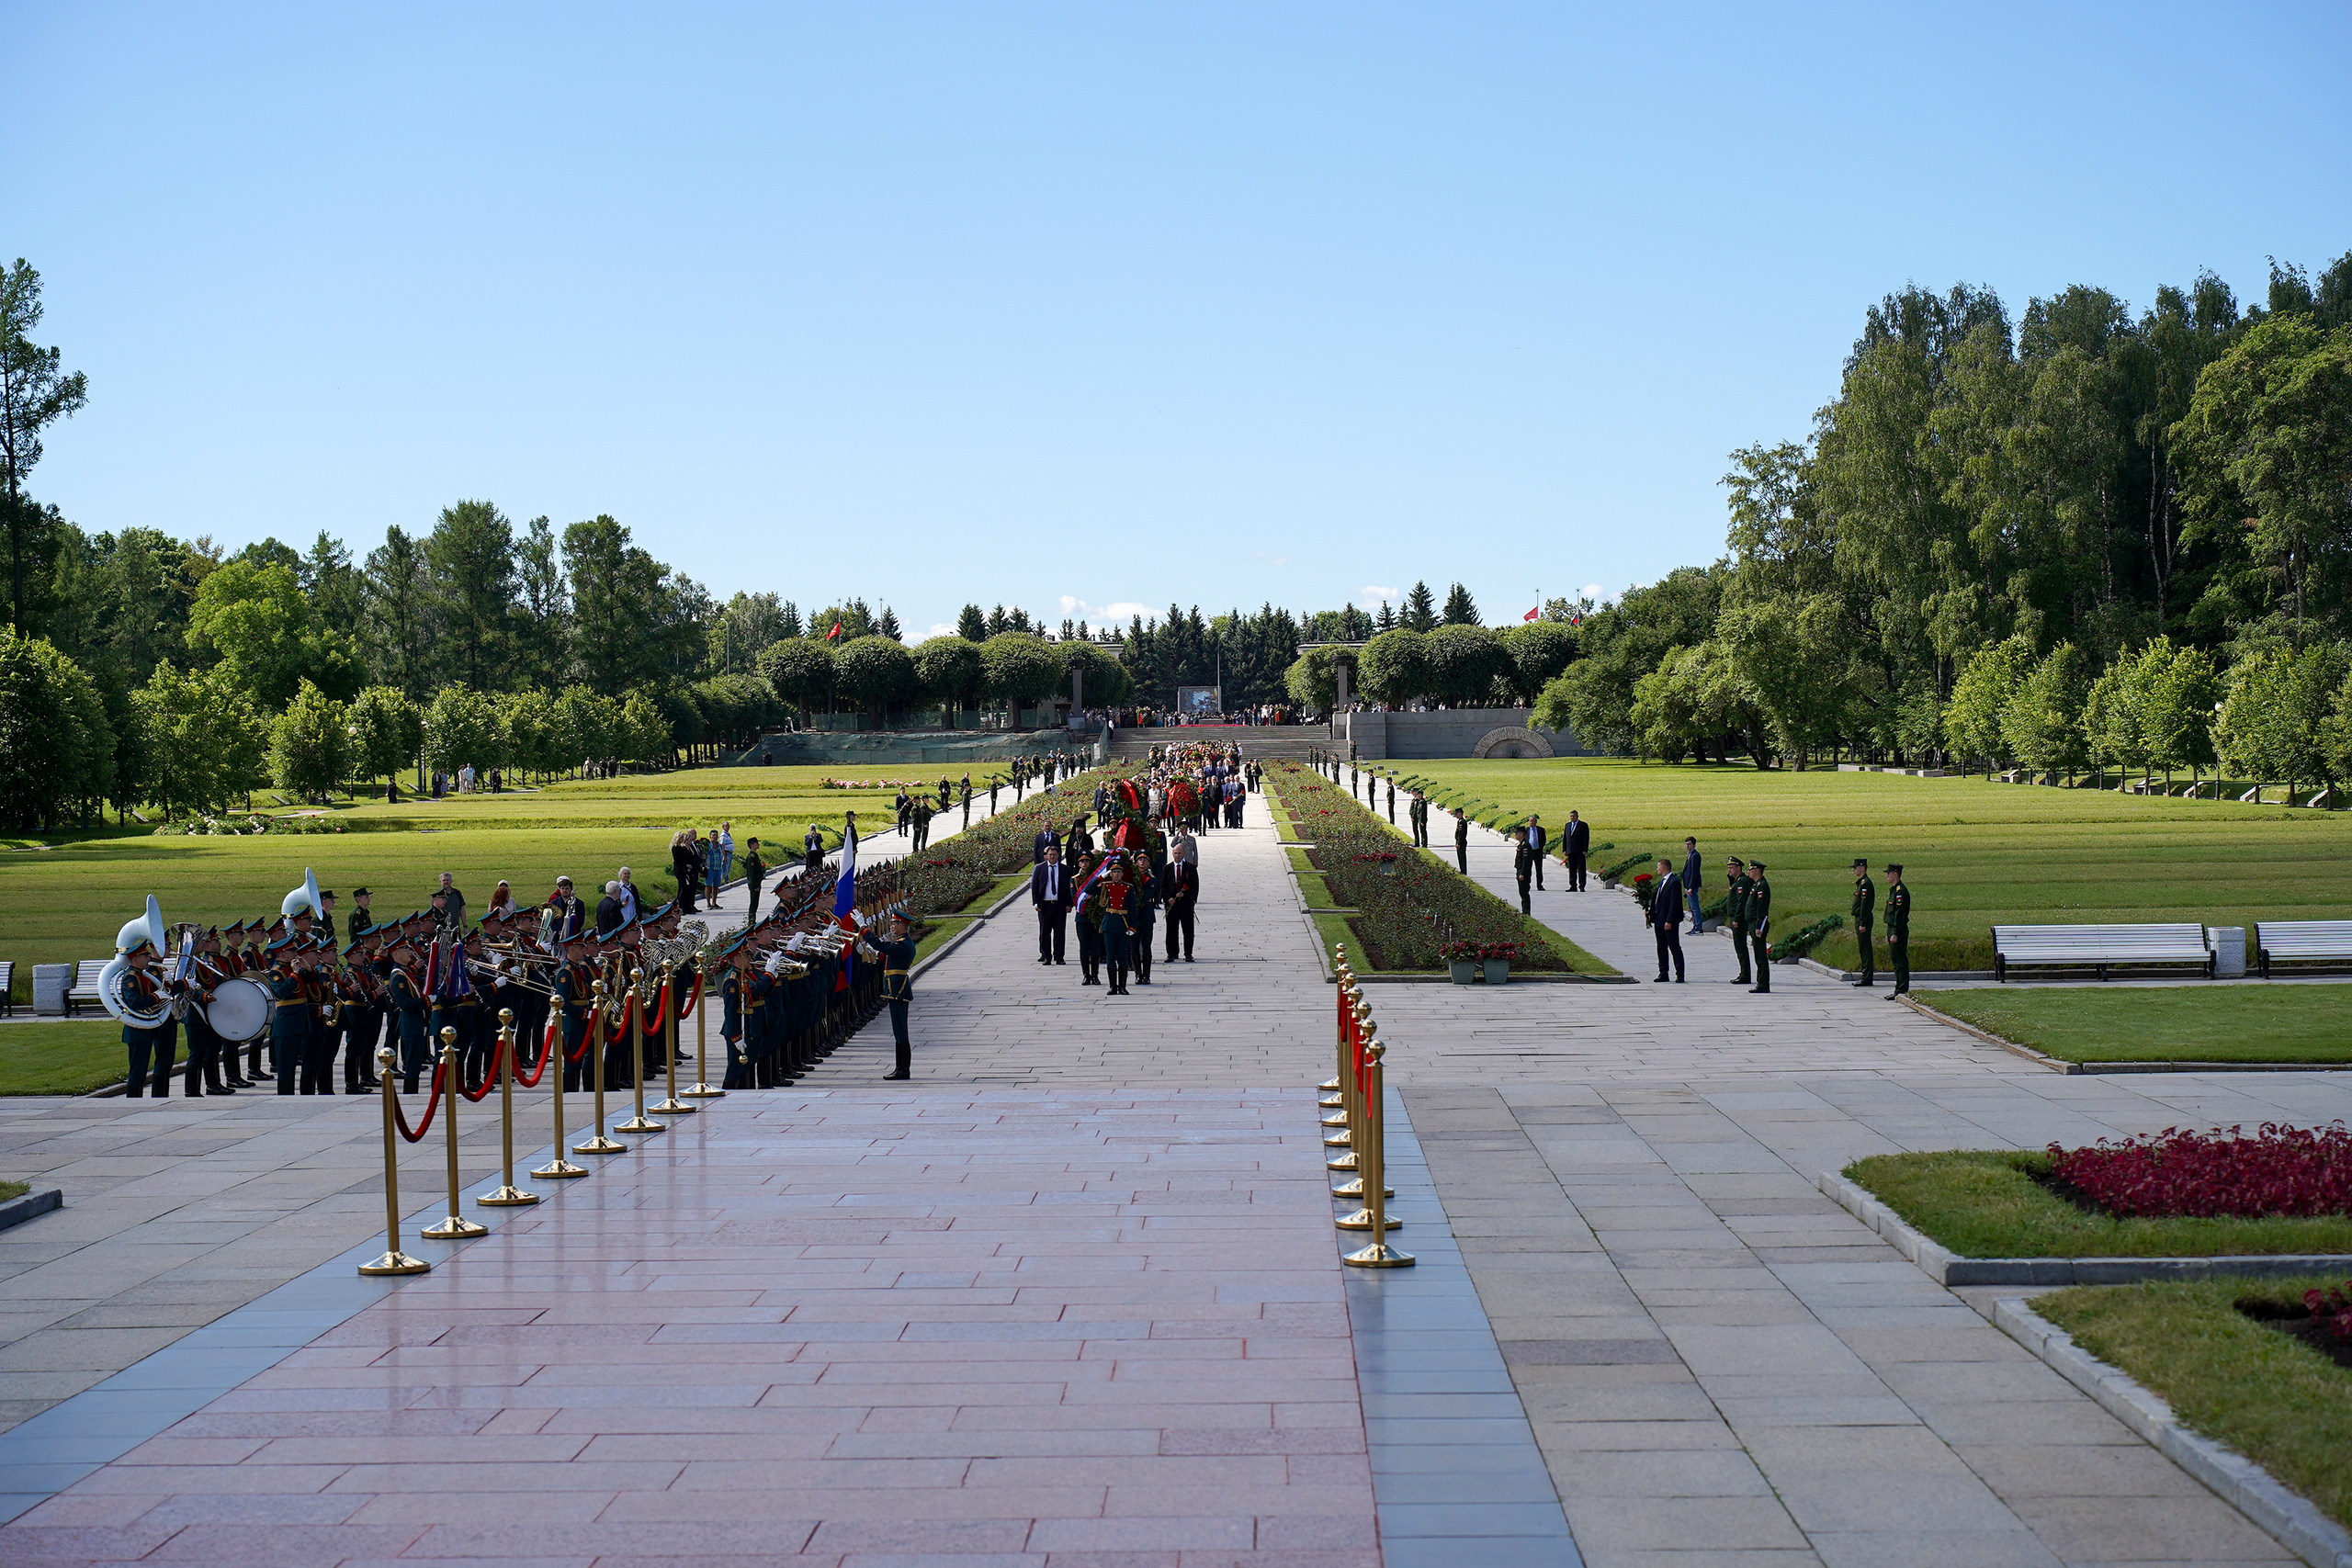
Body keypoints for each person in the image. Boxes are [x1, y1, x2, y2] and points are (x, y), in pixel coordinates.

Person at [1646, 858, 1687, 983]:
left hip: (1668, 921)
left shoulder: (1673, 882)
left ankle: (1680, 974)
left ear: (1663, 868)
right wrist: (1651, 911)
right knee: (1661, 947)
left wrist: (1669, 921)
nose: (1657, 869)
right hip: (1659, 919)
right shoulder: (1663, 882)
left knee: (1674, 947)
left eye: (1658, 867)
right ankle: (1663, 973)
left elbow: (1674, 903)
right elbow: (1659, 900)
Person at [1031, 844, 1070, 964]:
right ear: (1046, 856)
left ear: (1058, 856)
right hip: (1045, 905)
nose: (1052, 857)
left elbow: (1069, 889)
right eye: (1050, 855)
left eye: (1054, 854)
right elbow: (1035, 887)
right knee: (1044, 932)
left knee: (1059, 932)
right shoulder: (1039, 869)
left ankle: (1059, 957)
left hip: (1059, 905)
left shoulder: (1066, 870)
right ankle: (1046, 955)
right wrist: (1036, 903)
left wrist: (1069, 904)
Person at [1163, 853, 1199, 963]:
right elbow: (1163, 885)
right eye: (1175, 853)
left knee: (1188, 929)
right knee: (1171, 930)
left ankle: (1188, 953)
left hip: (1185, 904)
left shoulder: (1190, 868)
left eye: (1179, 853)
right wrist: (1168, 898)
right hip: (1172, 904)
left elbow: (1195, 885)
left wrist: (1189, 897)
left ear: (1183, 854)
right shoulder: (1167, 868)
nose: (1177, 855)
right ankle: (1171, 953)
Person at [1746, 861, 1773, 994]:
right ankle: (1761, 982)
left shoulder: (1762, 886)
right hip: (1752, 923)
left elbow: (1761, 909)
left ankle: (1763, 984)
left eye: (1751, 869)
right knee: (1757, 954)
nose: (1748, 872)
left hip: (1757, 925)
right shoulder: (1755, 885)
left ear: (1757, 871)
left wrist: (1758, 927)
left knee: (1760, 955)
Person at [1883, 864, 1910, 997]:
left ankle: (1901, 988)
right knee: (1895, 961)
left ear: (1896, 874)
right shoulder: (1894, 890)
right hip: (1892, 928)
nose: (1887, 876)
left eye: (1889, 873)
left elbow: (1899, 915)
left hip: (1897, 930)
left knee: (1900, 961)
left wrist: (1894, 932)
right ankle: (1899, 987)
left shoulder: (1900, 892)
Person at [1849, 857, 1876, 987]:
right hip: (1859, 918)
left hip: (1862, 919)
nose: (1854, 870)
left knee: (1865, 949)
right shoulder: (1861, 883)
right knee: (1862, 948)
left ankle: (1867, 977)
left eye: (1855, 868)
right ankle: (1866, 975)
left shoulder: (1865, 884)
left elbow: (1865, 905)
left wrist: (1863, 923)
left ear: (1862, 868)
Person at [1724, 857, 1751, 986]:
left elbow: (1741, 902)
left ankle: (1745, 975)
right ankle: (1743, 973)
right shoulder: (1736, 881)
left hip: (1739, 920)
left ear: (1738, 868)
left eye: (1731, 868)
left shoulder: (1742, 882)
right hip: (1736, 918)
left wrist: (1737, 918)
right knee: (1738, 947)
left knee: (1741, 947)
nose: (1729, 871)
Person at [1511, 826, 1536, 917]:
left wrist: (1522, 873)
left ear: (1522, 834)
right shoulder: (1521, 845)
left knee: (1524, 892)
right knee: (1522, 892)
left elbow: (1526, 862)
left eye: (1517, 833)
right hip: (1519, 870)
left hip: (1523, 873)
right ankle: (1524, 910)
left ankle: (1526, 911)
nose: (1515, 835)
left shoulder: (1526, 846)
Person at [1563, 810, 1590, 892]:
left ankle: (1582, 885)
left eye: (1574, 816)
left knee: (1581, 869)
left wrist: (1585, 849)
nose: (1572, 817)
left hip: (1580, 851)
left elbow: (1586, 838)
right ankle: (1573, 885)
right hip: (1570, 851)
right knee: (1572, 869)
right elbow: (1565, 838)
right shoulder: (1567, 825)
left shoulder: (1583, 825)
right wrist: (1564, 849)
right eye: (1571, 816)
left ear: (1577, 816)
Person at [741, 837, 767, 925]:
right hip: (754, 884)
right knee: (753, 903)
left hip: (757, 883)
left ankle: (753, 920)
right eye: (756, 843)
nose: (758, 844)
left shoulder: (755, 855)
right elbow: (751, 873)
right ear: (751, 845)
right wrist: (755, 885)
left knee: (756, 903)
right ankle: (751, 921)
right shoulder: (751, 857)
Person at [1682, 838, 1705, 934]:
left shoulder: (1695, 856)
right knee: (1691, 907)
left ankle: (1698, 927)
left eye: (1689, 844)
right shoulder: (1690, 855)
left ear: (1694, 845)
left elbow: (1694, 873)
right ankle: (1695, 925)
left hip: (1692, 886)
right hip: (1688, 886)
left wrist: (1691, 887)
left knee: (1695, 907)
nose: (1687, 846)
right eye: (1686, 844)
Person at [1526, 816, 1546, 890]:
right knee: (1528, 869)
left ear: (1536, 822)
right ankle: (1527, 884)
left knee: (1539, 869)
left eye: (1533, 821)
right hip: (1529, 852)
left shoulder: (1541, 830)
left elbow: (1543, 840)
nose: (1531, 822)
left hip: (1537, 851)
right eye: (1530, 821)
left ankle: (1539, 884)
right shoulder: (1526, 830)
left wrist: (1541, 847)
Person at [1452, 808, 1470, 874]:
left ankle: (1463, 871)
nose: (1456, 815)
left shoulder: (1462, 822)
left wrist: (1459, 843)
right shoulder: (1460, 821)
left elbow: (1461, 834)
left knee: (1462, 857)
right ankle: (1462, 870)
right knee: (1460, 857)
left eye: (1456, 814)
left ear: (1460, 813)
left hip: (1461, 842)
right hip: (1459, 841)